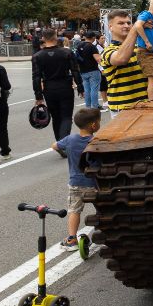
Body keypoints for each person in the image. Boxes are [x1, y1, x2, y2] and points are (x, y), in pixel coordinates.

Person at [54, 107, 100, 250]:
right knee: (102, 208)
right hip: (94, 183)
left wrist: (67, 151)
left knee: (74, 211)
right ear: (94, 125)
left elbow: (54, 146)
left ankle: (72, 239)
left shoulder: (70, 139)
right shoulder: (96, 140)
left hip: (75, 184)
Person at [31, 29, 79, 141]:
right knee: (66, 116)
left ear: (43, 38)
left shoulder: (37, 56)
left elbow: (36, 77)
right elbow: (75, 70)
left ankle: (59, 142)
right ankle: (63, 143)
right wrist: (80, 86)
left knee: (56, 117)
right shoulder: (67, 52)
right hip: (65, 86)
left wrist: (38, 95)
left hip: (49, 88)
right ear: (56, 37)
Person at [100, 9, 151, 112]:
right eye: (121, 23)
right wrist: (136, 29)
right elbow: (121, 58)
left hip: (145, 105)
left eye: (128, 23)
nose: (127, 26)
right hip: (123, 108)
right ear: (110, 27)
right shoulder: (107, 51)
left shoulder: (140, 47)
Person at [73, 33, 102, 109]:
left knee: (87, 89)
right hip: (93, 70)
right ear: (93, 38)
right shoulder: (92, 46)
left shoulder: (79, 46)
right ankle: (95, 106)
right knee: (94, 89)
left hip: (83, 71)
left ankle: (88, 106)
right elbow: (98, 59)